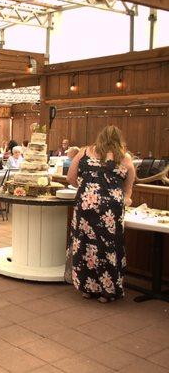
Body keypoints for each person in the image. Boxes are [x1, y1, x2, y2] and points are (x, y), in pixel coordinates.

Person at [67, 126, 135, 303]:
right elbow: (128, 189)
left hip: (86, 205)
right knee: (109, 248)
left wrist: (87, 188)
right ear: (119, 139)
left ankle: (87, 288)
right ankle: (107, 291)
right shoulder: (125, 157)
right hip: (111, 210)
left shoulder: (84, 152)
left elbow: (70, 178)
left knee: (85, 245)